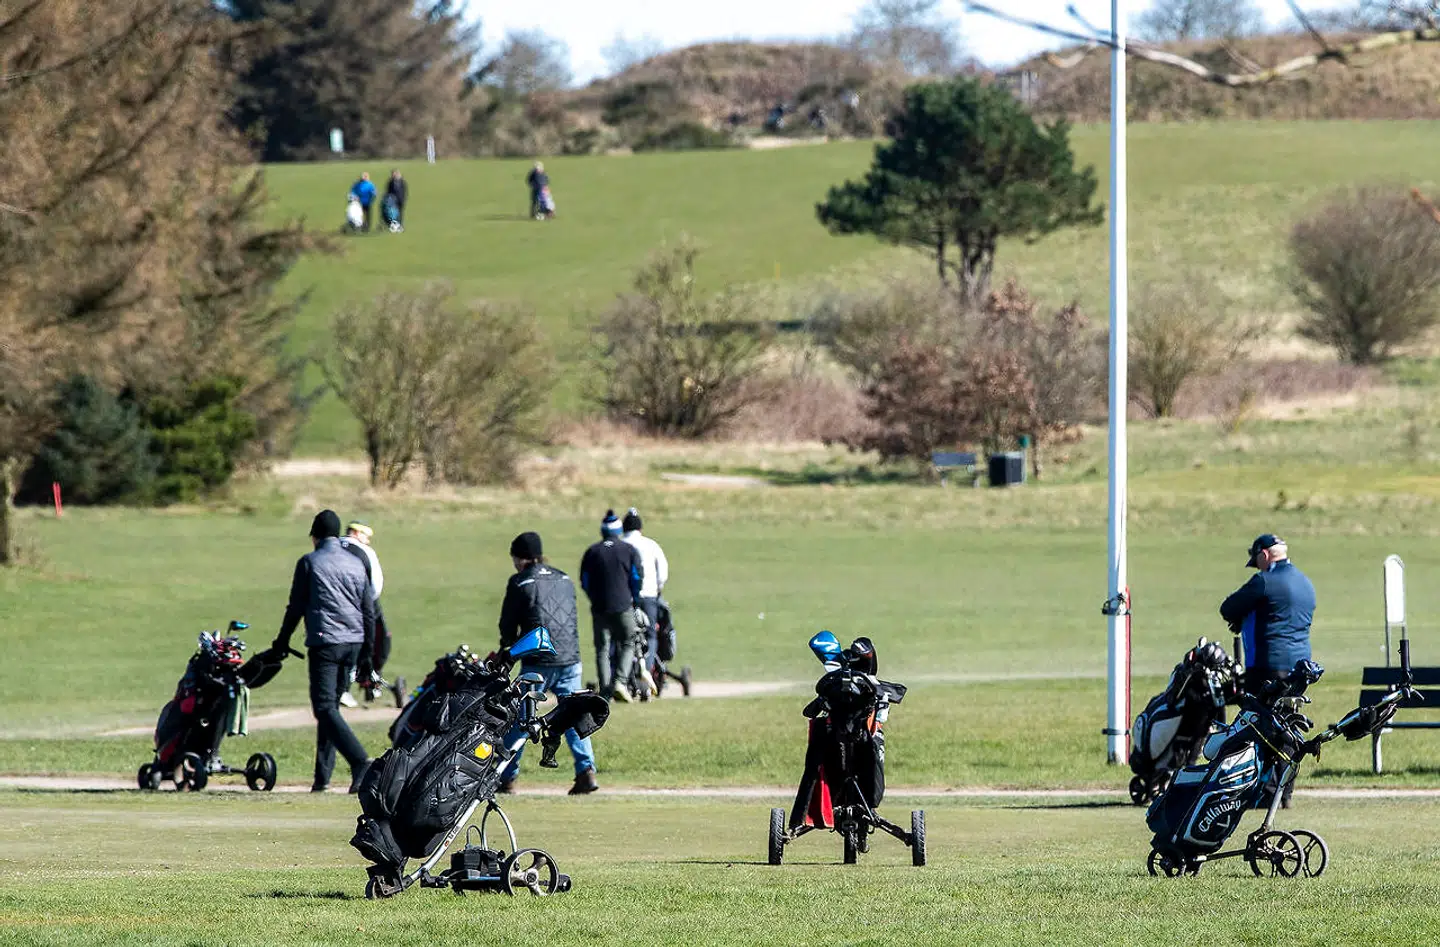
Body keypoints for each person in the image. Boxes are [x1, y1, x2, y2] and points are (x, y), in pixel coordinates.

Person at [273, 510, 375, 793]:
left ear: (315, 536)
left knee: (324, 707)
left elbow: (296, 607)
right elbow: (369, 610)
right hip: (354, 643)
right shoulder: (356, 562)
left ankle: (360, 761)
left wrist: (282, 641)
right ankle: (322, 778)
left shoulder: (310, 562)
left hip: (325, 642)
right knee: (332, 710)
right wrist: (368, 653)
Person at [496, 531, 598, 796]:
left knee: (522, 720)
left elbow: (508, 626)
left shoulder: (519, 582)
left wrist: (507, 649)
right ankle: (586, 771)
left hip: (538, 660)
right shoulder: (564, 578)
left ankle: (505, 775)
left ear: (521, 558)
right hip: (570, 657)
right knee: (574, 715)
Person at [1220, 533, 1316, 693]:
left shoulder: (1264, 581)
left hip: (1267, 667)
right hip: (1301, 668)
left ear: (1264, 555)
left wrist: (1242, 617)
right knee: (1287, 708)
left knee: (1253, 707)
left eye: (1257, 563)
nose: (1259, 569)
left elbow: (1228, 609)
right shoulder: (1305, 582)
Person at [579, 510, 644, 703]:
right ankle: (620, 682)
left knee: (602, 649)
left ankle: (605, 690)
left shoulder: (592, 552)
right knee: (628, 642)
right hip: (623, 606)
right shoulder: (628, 550)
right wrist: (634, 599)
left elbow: (585, 581)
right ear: (618, 530)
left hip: (600, 608)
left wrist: (594, 598)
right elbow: (636, 578)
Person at [338, 521, 395, 707]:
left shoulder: (330, 546)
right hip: (361, 604)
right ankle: (367, 679)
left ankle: (344, 686)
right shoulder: (365, 551)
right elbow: (375, 586)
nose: (368, 540)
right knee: (375, 641)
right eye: (366, 536)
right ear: (355, 532)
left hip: (331, 605)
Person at [621, 507, 668, 691]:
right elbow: (662, 573)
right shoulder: (651, 545)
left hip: (625, 599)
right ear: (640, 528)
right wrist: (657, 589)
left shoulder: (619, 544)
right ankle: (646, 675)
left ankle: (622, 677)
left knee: (624, 637)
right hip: (649, 596)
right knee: (650, 635)